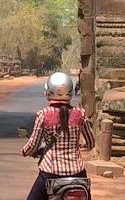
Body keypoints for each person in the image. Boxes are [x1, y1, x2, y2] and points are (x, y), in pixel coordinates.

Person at [22, 71, 94, 200]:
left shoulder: (43, 115)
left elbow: (33, 145)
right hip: (77, 173)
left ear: (49, 92)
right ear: (70, 92)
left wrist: (24, 151)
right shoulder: (80, 113)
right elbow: (91, 143)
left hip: (50, 173)